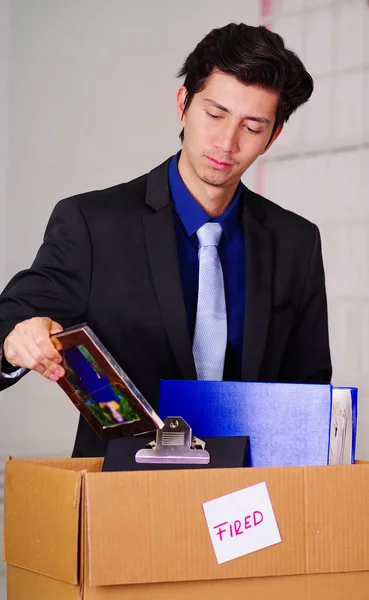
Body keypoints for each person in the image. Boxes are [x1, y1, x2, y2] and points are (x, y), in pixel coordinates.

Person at [0, 23, 332, 458]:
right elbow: (10, 322)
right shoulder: (93, 223)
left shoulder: (296, 242)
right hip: (124, 494)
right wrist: (15, 341)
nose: (227, 143)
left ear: (273, 137)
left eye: (252, 126)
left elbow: (309, 392)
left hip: (249, 497)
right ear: (183, 104)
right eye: (215, 114)